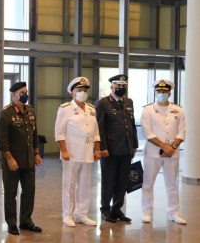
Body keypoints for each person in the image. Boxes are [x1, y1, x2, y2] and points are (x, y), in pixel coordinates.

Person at [0, 81, 43, 236]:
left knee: (29, 191)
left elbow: (34, 135)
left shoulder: (31, 111)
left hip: (28, 159)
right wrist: (9, 159)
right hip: (12, 161)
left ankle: (26, 221)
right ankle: (11, 223)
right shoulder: (5, 114)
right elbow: (2, 141)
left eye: (26, 92)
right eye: (22, 93)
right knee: (11, 192)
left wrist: (36, 153)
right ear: (14, 95)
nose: (25, 95)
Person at [54, 77, 101, 227]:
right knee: (69, 185)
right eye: (79, 90)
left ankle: (81, 214)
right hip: (71, 153)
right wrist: (64, 151)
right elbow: (59, 133)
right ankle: (67, 215)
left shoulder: (92, 109)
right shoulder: (65, 109)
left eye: (85, 90)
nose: (82, 92)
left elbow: (96, 132)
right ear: (72, 92)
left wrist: (97, 149)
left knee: (85, 185)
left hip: (87, 152)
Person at [140, 79, 187, 225]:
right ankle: (147, 212)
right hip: (152, 153)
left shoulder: (178, 110)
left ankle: (174, 213)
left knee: (172, 184)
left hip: (172, 153)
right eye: (159, 91)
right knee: (148, 183)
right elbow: (148, 133)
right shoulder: (147, 110)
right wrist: (165, 147)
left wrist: (172, 148)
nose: (161, 93)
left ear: (169, 93)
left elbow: (182, 131)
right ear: (155, 92)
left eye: (164, 91)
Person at [95, 74, 138, 224]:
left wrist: (134, 145)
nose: (121, 88)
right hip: (110, 150)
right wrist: (102, 148)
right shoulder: (103, 103)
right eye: (118, 86)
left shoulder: (129, 102)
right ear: (112, 87)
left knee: (122, 181)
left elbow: (131, 124)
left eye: (123, 86)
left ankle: (117, 208)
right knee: (108, 180)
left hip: (126, 148)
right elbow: (99, 127)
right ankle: (105, 209)